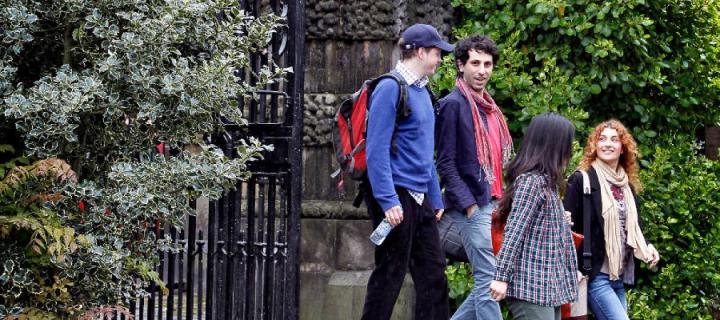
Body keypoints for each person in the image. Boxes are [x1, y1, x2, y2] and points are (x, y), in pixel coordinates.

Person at [361, 23, 453, 320]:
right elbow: (376, 151)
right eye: (437, 53)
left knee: (433, 274)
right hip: (395, 195)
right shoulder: (390, 87)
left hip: (419, 197)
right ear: (421, 52)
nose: (440, 59)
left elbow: (425, 153)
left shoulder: (423, 91)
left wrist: (435, 199)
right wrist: (388, 201)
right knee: (390, 274)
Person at [435, 35, 511, 320]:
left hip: (492, 202)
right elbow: (445, 162)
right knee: (489, 279)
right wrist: (469, 205)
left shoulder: (491, 109)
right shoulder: (453, 104)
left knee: (488, 279)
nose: (482, 70)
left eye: (488, 64)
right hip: (472, 206)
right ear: (460, 65)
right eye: (475, 63)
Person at [563, 119, 660, 320]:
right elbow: (565, 229)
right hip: (594, 275)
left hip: (619, 276)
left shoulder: (627, 186)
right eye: (602, 139)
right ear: (594, 146)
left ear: (623, 148)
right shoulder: (582, 180)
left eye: (614, 140)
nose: (608, 144)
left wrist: (648, 246)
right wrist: (570, 269)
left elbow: (635, 227)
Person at [489, 112, 579, 320]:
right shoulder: (532, 182)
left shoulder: (548, 183)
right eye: (566, 144)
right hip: (529, 288)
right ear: (553, 145)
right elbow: (514, 232)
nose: (569, 150)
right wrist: (500, 277)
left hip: (547, 289)